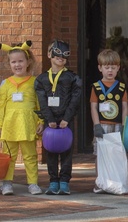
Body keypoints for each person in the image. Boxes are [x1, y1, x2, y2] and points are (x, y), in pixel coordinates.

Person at [0, 41, 43, 196]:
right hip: (10, 126)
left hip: (28, 125)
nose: (17, 65)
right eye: (13, 62)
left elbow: (39, 104)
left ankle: (33, 183)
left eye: (20, 61)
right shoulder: (6, 84)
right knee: (9, 157)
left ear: (28, 62)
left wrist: (41, 121)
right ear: (9, 64)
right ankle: (7, 183)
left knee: (30, 156)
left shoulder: (35, 82)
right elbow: (1, 107)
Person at [34, 40, 83, 195]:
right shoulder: (41, 79)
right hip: (51, 122)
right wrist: (49, 120)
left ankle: (64, 182)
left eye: (64, 54)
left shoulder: (73, 78)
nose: (60, 57)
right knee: (50, 151)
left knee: (67, 152)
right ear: (49, 54)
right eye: (57, 53)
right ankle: (53, 181)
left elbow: (75, 100)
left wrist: (67, 118)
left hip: (66, 120)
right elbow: (42, 102)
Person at [91, 48, 128, 194]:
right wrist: (96, 125)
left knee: (116, 153)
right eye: (107, 67)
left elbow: (125, 107)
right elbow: (93, 107)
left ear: (118, 68)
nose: (110, 70)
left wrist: (124, 125)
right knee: (100, 154)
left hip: (117, 125)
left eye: (113, 67)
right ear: (100, 68)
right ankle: (100, 182)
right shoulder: (96, 87)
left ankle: (115, 181)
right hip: (102, 125)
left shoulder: (121, 87)